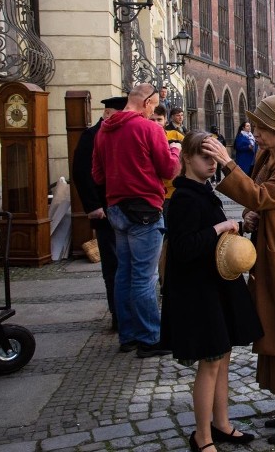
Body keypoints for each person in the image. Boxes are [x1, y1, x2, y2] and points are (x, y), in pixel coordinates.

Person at [202, 95, 275, 446]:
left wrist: (227, 164)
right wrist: (254, 216)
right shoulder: (269, 153)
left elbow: (262, 195)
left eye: (260, 127)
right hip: (271, 251)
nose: (254, 131)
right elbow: (263, 200)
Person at [160, 131, 263, 452]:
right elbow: (185, 247)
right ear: (186, 159)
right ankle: (202, 437)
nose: (211, 164)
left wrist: (240, 224)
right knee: (211, 362)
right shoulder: (183, 199)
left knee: (222, 358)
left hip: (216, 287)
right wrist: (221, 227)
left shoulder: (203, 192)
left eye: (214, 158)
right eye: (205, 158)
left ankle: (221, 424)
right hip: (197, 292)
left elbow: (211, 238)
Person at [92, 83, 181, 358]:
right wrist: (175, 149)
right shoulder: (149, 128)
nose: (153, 111)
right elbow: (169, 170)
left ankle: (127, 335)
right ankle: (149, 339)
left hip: (116, 209)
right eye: (154, 106)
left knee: (124, 274)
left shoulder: (104, 130)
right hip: (144, 209)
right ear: (147, 102)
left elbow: (97, 175)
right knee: (144, 277)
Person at [73, 95, 127, 330]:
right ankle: (117, 315)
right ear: (108, 113)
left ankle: (126, 312)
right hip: (104, 210)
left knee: (125, 263)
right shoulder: (92, 135)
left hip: (123, 209)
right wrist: (93, 206)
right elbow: (81, 174)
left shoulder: (116, 134)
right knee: (113, 264)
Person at [150, 105, 186, 213]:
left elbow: (190, 152)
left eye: (159, 119)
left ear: (165, 120)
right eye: (152, 119)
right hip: (154, 194)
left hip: (174, 191)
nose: (156, 123)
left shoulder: (175, 135)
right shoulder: (143, 138)